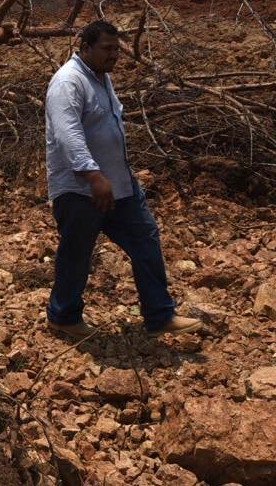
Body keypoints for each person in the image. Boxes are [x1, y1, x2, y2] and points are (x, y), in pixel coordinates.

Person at [43, 19, 201, 338]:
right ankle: (63, 317)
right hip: (81, 189)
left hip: (118, 186)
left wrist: (114, 177)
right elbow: (67, 135)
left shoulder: (102, 78)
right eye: (106, 49)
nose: (114, 55)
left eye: (117, 49)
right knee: (77, 253)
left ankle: (159, 315)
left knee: (145, 239)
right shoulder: (68, 82)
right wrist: (94, 175)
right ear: (85, 48)